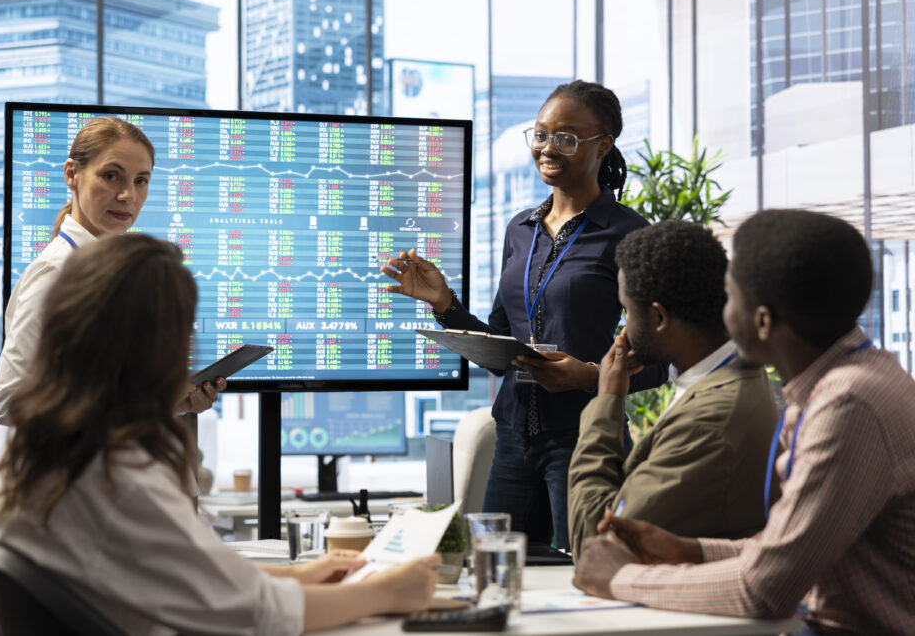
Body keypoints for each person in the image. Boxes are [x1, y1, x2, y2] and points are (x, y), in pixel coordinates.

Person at [0, 233, 440, 635]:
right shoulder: (121, 479)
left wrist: (306, 575)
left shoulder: (30, 467)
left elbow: (190, 579)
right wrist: (386, 592)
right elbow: (259, 614)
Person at [573, 209, 915, 636]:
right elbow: (790, 550)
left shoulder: (848, 405)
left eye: (730, 297)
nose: (720, 312)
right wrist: (690, 551)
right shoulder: (858, 378)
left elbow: (764, 590)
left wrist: (619, 579)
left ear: (763, 321)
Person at [382, 80, 666, 549]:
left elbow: (660, 362)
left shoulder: (630, 234)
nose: (548, 148)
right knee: (496, 572)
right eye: (540, 135)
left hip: (585, 438)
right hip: (513, 438)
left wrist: (588, 376)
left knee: (586, 574)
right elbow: (500, 352)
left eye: (567, 138)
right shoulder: (520, 229)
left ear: (604, 144)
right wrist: (444, 304)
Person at [565, 220, 778, 560]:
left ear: (658, 318)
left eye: (627, 310)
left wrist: (607, 401)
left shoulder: (710, 418)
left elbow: (593, 540)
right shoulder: (738, 377)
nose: (624, 327)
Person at [0, 116, 223, 426]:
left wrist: (170, 401)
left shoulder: (120, 272)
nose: (128, 195)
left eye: (141, 180)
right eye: (112, 176)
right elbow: (8, 402)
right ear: (71, 174)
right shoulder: (55, 272)